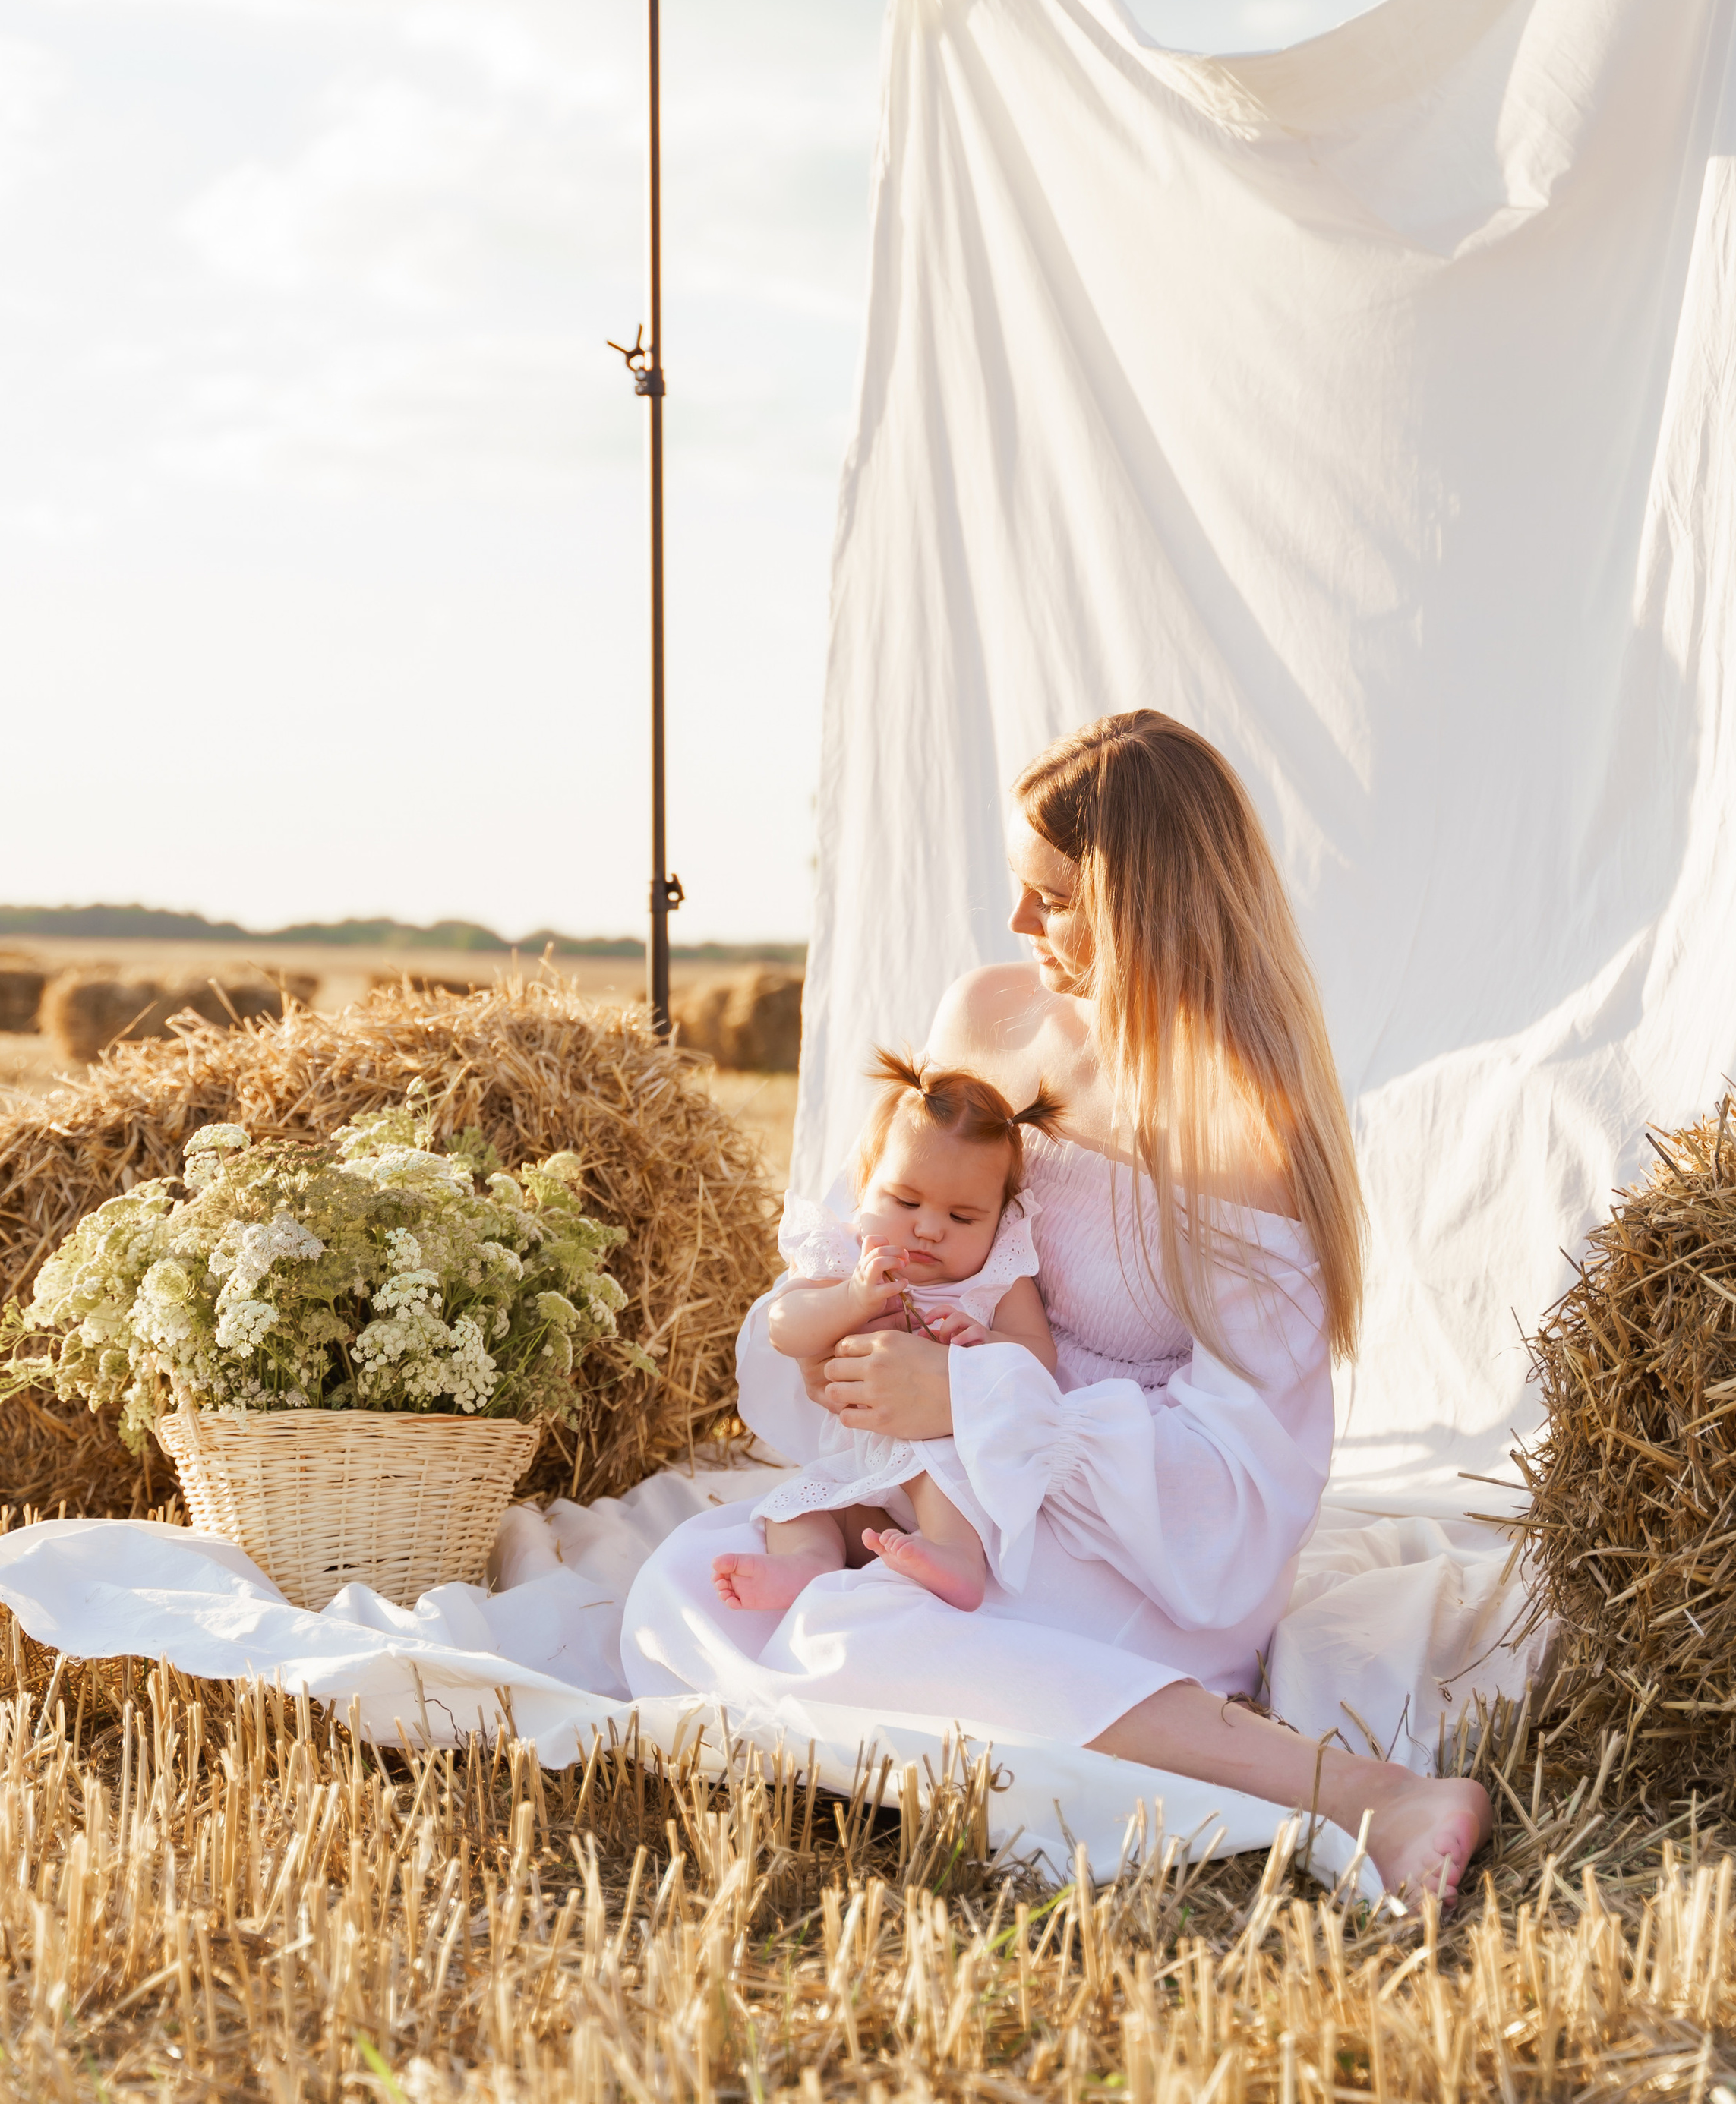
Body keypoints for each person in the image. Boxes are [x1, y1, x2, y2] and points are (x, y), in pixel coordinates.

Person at [622, 711, 1490, 1904]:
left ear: (1152, 906)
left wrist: (976, 1400)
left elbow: (1243, 1464)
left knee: (856, 1634)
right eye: (1019, 890)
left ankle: (1364, 1795)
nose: (1023, 924)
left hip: (1132, 1524)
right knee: (691, 1583)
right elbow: (876, 1218)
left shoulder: (1244, 1125)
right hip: (951, 1481)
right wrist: (856, 1344)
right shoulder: (992, 1017)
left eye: (1058, 899)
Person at [710, 1050, 1060, 1614]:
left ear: (1000, 1219)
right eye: (905, 1201)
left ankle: (955, 1557)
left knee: (938, 1468)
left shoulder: (996, 1277)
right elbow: (785, 1329)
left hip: (947, 1463)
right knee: (796, 1506)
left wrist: (987, 1344)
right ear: (864, 1185)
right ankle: (807, 1564)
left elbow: (1040, 1358)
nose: (928, 1229)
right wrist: (850, 1297)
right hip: (859, 1463)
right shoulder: (844, 1254)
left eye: (963, 1218)